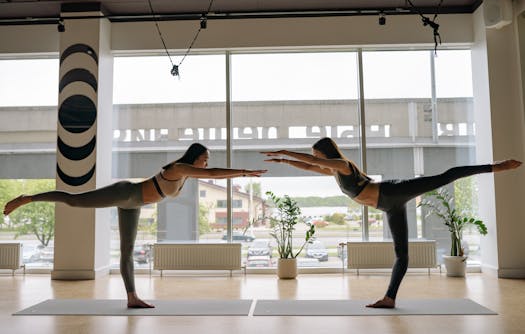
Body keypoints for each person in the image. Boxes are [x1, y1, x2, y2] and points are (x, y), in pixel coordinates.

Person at [262, 137, 521, 309]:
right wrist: (285, 161)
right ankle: (389, 298)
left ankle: (494, 167)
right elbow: (311, 167)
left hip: (392, 191)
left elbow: (314, 162)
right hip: (388, 205)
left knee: (445, 176)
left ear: (323, 151)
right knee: (402, 254)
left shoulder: (341, 164)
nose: (313, 156)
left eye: (315, 152)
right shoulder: (333, 170)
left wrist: (285, 151)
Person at [3, 143, 267, 308]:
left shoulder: (186, 174)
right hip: (126, 193)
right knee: (73, 201)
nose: (207, 162)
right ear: (195, 157)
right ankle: (27, 198)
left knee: (127, 250)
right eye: (205, 157)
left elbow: (207, 174)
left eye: (207, 159)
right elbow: (211, 174)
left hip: (134, 204)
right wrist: (244, 172)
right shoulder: (178, 167)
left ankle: (132, 297)